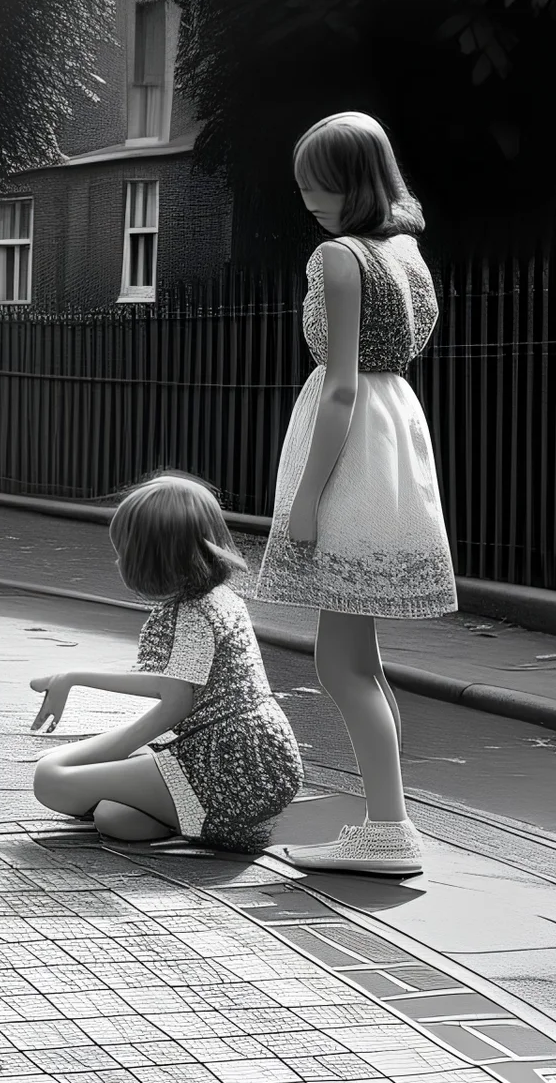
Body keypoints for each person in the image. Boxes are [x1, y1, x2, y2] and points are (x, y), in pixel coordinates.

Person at [256, 111, 456, 878]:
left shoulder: (337, 258)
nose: (307, 193)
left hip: (352, 452)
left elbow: (338, 390)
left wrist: (305, 501)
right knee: (360, 658)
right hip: (396, 435)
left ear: (356, 179)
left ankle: (389, 829)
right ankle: (389, 819)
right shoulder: (406, 251)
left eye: (321, 180)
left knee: (339, 661)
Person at [31, 474, 303, 846]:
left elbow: (176, 702)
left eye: (122, 550)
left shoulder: (190, 615)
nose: (116, 559)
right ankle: (186, 815)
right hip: (264, 759)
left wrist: (121, 751)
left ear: (149, 557)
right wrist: (73, 677)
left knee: (50, 776)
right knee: (113, 815)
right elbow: (174, 682)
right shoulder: (220, 598)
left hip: (226, 763)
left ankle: (201, 814)